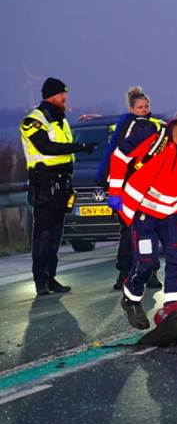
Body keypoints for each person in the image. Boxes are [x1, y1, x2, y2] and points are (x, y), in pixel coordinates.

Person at [107, 106, 177, 329]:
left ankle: (176, 312)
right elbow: (120, 156)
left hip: (171, 213)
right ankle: (131, 298)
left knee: (176, 261)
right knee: (147, 261)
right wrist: (115, 191)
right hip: (142, 209)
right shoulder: (152, 136)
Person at [20, 78, 98, 295]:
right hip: (44, 183)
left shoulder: (59, 120)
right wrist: (79, 147)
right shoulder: (32, 120)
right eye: (62, 94)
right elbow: (45, 147)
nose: (66, 98)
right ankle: (40, 280)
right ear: (52, 95)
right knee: (43, 234)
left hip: (62, 182)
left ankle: (51, 277)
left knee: (55, 235)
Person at [99, 86, 163, 291]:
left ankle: (149, 272)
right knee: (130, 231)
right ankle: (126, 272)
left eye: (146, 107)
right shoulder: (132, 127)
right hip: (127, 186)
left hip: (144, 186)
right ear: (131, 108)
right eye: (140, 107)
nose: (144, 110)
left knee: (147, 230)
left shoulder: (148, 126)